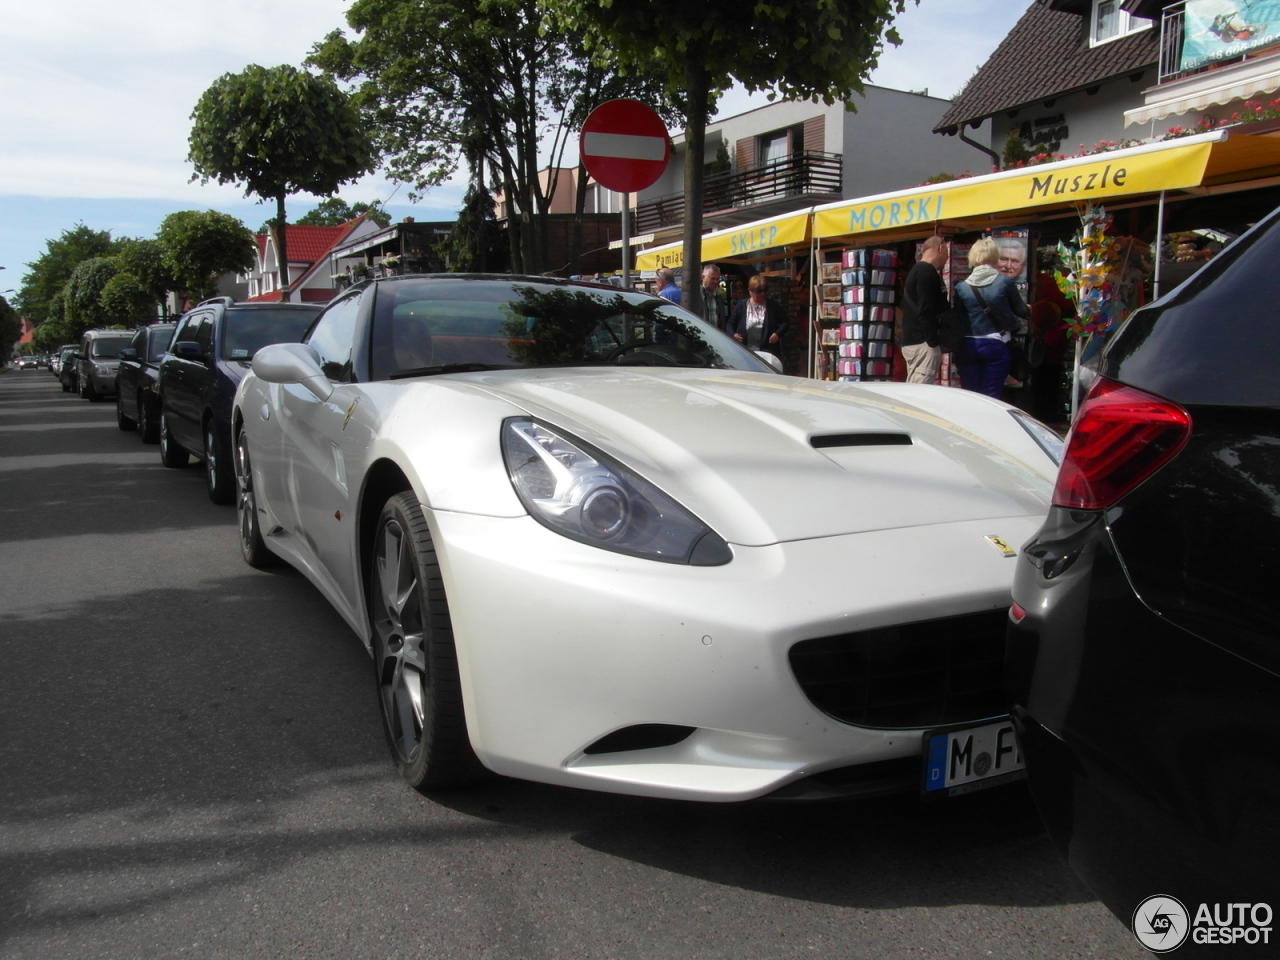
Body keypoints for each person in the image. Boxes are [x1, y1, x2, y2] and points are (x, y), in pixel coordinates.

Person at [953, 237, 1030, 398]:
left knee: (969, 395)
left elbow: (959, 317)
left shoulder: (961, 287)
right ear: (995, 257)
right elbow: (1022, 311)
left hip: (967, 345)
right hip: (995, 344)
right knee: (991, 396)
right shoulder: (1005, 282)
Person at [900, 235, 948, 384]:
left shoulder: (918, 270)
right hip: (922, 342)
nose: (947, 258)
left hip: (917, 341)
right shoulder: (925, 271)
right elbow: (925, 308)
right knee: (918, 392)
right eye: (947, 252)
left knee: (918, 388)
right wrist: (932, 341)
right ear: (940, 248)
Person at [727, 273, 788, 354]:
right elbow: (730, 323)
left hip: (768, 351)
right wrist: (733, 334)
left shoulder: (773, 306)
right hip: (746, 351)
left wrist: (777, 334)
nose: (763, 294)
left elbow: (785, 322)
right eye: (759, 291)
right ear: (750, 291)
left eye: (765, 290)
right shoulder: (742, 305)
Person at [699, 264, 728, 330]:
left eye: (717, 279)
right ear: (703, 277)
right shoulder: (697, 294)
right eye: (712, 278)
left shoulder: (718, 295)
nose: (716, 281)